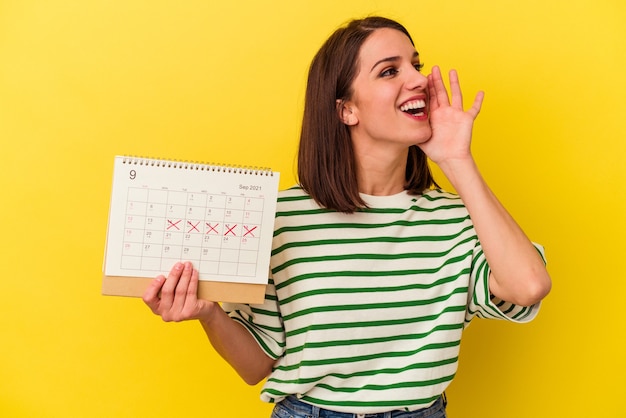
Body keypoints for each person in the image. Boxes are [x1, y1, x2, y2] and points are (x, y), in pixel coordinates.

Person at [142, 16, 551, 418]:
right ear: (346, 111)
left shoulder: (456, 220)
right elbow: (256, 368)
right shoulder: (283, 219)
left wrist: (457, 160)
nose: (418, 80)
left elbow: (529, 286)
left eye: (416, 64)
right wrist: (208, 313)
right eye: (390, 70)